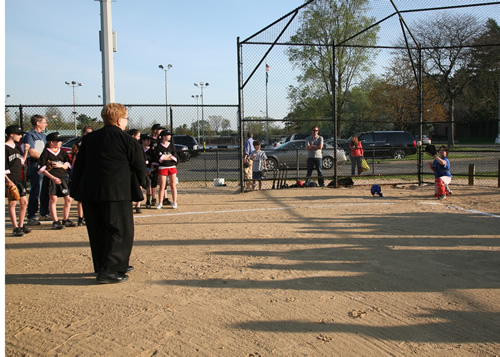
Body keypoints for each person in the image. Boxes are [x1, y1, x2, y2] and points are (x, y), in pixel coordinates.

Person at [70, 103, 147, 284]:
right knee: (119, 230)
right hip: (117, 193)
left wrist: (77, 189)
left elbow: (79, 165)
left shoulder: (89, 139)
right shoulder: (127, 140)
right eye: (126, 118)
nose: (126, 122)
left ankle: (105, 265)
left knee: (98, 230)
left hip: (90, 192)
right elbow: (139, 166)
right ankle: (111, 270)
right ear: (120, 120)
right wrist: (142, 183)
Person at [38, 132, 76, 229]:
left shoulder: (62, 152)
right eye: (58, 141)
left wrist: (62, 165)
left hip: (62, 178)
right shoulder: (46, 152)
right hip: (51, 179)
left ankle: (65, 219)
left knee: (68, 199)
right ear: (51, 142)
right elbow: (41, 169)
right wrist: (53, 178)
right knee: (53, 199)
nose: (60, 143)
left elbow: (68, 165)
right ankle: (55, 221)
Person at [23, 114, 50, 225]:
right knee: (36, 190)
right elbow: (32, 152)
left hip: (44, 165)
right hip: (36, 165)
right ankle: (32, 216)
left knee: (45, 190)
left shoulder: (43, 135)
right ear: (38, 123)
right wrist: (44, 159)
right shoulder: (30, 135)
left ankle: (44, 214)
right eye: (44, 122)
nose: (46, 124)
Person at [5, 125, 31, 236]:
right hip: (10, 179)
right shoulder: (4, 148)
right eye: (19, 134)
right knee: (12, 203)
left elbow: (21, 162)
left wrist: (25, 151)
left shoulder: (16, 146)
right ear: (11, 134)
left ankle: (21, 225)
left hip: (19, 179)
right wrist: (8, 181)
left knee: (24, 202)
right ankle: (15, 227)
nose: (21, 136)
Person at [71, 126, 94, 226]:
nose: (88, 135)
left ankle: (88, 216)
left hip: (90, 172)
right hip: (81, 172)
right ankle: (80, 217)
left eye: (90, 133)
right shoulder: (78, 144)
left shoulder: (94, 143)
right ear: (83, 133)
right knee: (81, 198)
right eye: (87, 133)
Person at [154, 130, 178, 209]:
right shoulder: (158, 147)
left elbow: (174, 157)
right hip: (163, 167)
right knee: (162, 186)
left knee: (173, 185)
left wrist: (167, 157)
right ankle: (160, 202)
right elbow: (159, 159)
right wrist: (167, 156)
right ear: (163, 137)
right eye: (168, 135)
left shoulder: (171, 145)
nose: (170, 136)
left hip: (171, 167)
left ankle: (174, 202)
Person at [128, 129, 143, 213]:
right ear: (133, 136)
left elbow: (142, 157)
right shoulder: (129, 144)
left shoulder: (138, 145)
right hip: (130, 170)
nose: (139, 138)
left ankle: (138, 205)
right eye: (138, 136)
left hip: (135, 170)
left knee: (139, 186)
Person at [140, 134, 153, 209]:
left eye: (150, 140)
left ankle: (148, 201)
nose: (149, 142)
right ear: (143, 140)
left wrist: (151, 169)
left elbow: (153, 161)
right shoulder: (139, 149)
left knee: (149, 186)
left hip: (148, 170)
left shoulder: (150, 151)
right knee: (140, 186)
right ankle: (139, 201)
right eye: (147, 140)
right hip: (140, 169)